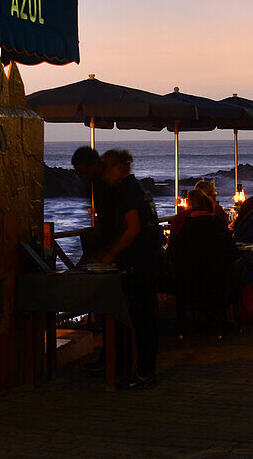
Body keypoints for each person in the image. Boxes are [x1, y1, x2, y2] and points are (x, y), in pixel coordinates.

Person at [94, 149, 164, 388]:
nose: (103, 176)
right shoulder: (138, 189)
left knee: (142, 320)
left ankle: (145, 373)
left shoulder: (127, 191)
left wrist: (110, 254)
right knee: (145, 319)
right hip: (151, 260)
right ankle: (143, 370)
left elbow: (133, 228)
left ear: (117, 167)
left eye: (106, 169)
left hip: (139, 263)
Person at [166, 189, 240, 338]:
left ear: (188, 204)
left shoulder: (181, 223)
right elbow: (232, 252)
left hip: (188, 281)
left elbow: (171, 253)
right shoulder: (218, 222)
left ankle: (181, 324)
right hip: (216, 282)